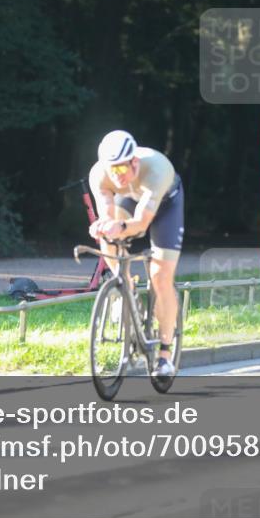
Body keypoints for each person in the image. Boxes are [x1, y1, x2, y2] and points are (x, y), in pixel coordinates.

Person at [88, 130, 184, 377]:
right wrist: (104, 226)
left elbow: (141, 223)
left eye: (122, 169)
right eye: (113, 171)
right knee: (108, 234)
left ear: (135, 162)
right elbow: (107, 213)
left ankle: (164, 354)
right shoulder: (99, 175)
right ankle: (125, 287)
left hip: (164, 205)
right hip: (129, 201)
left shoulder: (157, 169)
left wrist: (121, 227)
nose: (118, 176)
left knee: (160, 277)